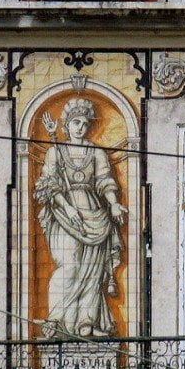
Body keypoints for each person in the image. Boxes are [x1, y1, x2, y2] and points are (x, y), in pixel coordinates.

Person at [35, 98, 125, 336]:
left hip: (95, 215)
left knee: (93, 272)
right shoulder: (56, 151)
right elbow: (47, 184)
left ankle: (87, 323)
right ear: (66, 124)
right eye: (76, 122)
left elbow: (106, 180)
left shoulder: (96, 152)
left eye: (85, 123)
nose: (80, 127)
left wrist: (115, 204)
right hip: (66, 216)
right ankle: (55, 319)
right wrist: (68, 208)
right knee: (70, 267)